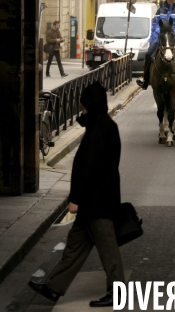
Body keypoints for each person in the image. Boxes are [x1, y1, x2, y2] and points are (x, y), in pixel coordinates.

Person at [28, 81, 124, 308]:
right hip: (97, 199)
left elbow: (87, 168)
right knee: (74, 246)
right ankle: (53, 287)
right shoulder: (103, 125)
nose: (80, 107)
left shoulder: (98, 129)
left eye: (82, 104)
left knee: (108, 249)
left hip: (97, 201)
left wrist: (75, 199)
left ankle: (118, 292)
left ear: (88, 104)